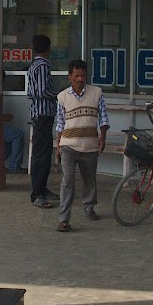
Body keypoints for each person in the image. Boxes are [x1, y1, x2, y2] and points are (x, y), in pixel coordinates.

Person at [55, 60, 110, 232]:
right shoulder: (62, 97)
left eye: (83, 76)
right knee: (67, 181)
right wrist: (58, 145)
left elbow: (103, 118)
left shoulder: (96, 93)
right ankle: (64, 219)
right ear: (69, 76)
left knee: (89, 180)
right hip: (68, 147)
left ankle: (89, 207)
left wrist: (103, 136)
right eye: (76, 75)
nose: (80, 79)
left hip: (90, 145)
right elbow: (60, 123)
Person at [26, 34, 58, 208]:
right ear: (48, 49)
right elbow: (41, 92)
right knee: (40, 155)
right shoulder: (43, 66)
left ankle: (42, 189)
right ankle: (37, 193)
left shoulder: (34, 65)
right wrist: (58, 95)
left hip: (41, 115)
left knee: (45, 153)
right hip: (42, 114)